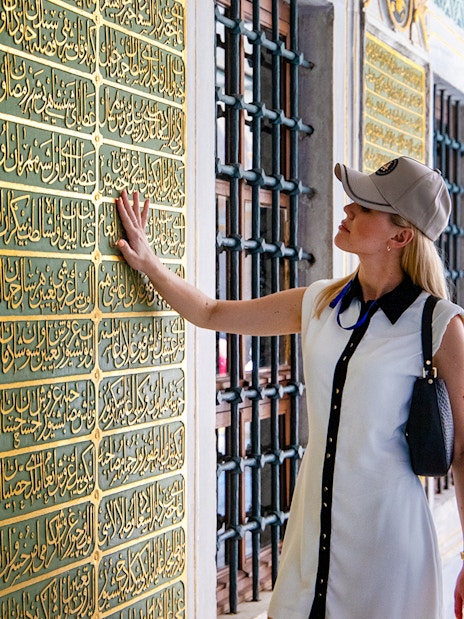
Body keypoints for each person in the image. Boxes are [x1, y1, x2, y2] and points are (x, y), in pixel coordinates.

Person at [115, 156, 464, 619]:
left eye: (364, 206)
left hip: (388, 546)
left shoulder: (440, 324)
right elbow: (212, 313)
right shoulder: (319, 302)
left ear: (400, 236)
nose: (348, 209)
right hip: (309, 536)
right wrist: (149, 263)